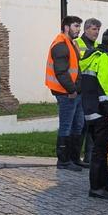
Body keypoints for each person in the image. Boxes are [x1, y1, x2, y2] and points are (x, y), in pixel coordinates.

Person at [80, 29, 108, 200]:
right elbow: (106, 89)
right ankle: (96, 187)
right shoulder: (105, 60)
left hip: (90, 111)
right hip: (101, 113)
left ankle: (103, 183)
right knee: (100, 151)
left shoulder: (93, 57)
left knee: (101, 150)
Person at [45, 15, 84, 172]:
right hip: (67, 93)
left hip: (74, 92)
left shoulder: (70, 43)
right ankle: (63, 161)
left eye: (79, 26)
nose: (78, 29)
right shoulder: (61, 45)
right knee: (66, 126)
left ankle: (74, 158)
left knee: (78, 125)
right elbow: (61, 72)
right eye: (76, 26)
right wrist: (72, 90)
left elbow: (75, 69)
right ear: (66, 27)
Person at [73, 18, 103, 166]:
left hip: (94, 90)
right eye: (93, 29)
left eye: (98, 29)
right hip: (81, 89)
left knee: (93, 124)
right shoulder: (77, 43)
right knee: (81, 125)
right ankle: (76, 156)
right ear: (85, 29)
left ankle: (89, 158)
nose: (96, 32)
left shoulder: (98, 45)